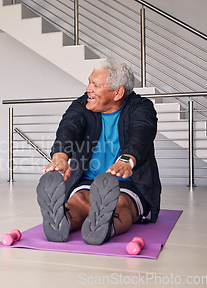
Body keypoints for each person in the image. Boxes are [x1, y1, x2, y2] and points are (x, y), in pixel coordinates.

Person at [36, 59, 161, 245]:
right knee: (78, 200)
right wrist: (60, 156)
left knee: (121, 203)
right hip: (88, 179)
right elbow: (69, 126)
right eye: (89, 82)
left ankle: (104, 225)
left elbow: (142, 131)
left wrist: (127, 160)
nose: (88, 89)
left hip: (130, 181)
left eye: (95, 84)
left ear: (117, 92)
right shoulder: (83, 105)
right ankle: (62, 222)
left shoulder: (141, 107)